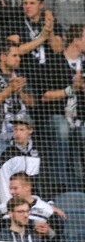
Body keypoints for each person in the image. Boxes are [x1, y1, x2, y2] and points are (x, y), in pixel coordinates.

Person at [39, 23, 85, 189]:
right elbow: (44, 96)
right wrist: (71, 89)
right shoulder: (55, 63)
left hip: (80, 119)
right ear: (76, 41)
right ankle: (60, 183)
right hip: (56, 116)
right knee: (63, 128)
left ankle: (80, 185)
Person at [0, 42, 35, 164]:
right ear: (3, 57)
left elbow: (32, 102)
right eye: (14, 56)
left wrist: (20, 92)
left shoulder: (20, 78)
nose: (18, 59)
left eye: (19, 56)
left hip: (20, 138)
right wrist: (11, 88)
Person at [0, 117, 42, 211]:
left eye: (21, 129)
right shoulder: (7, 154)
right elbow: (3, 184)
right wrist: (9, 208)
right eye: (15, 129)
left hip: (34, 201)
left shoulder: (39, 152)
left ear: (30, 130)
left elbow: (43, 179)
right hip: (13, 203)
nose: (17, 133)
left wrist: (48, 203)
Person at [4, 171, 66, 241]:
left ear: (27, 187)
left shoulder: (47, 209)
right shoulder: (3, 208)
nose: (11, 192)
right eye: (10, 188)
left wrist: (48, 232)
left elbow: (57, 237)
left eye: (15, 188)